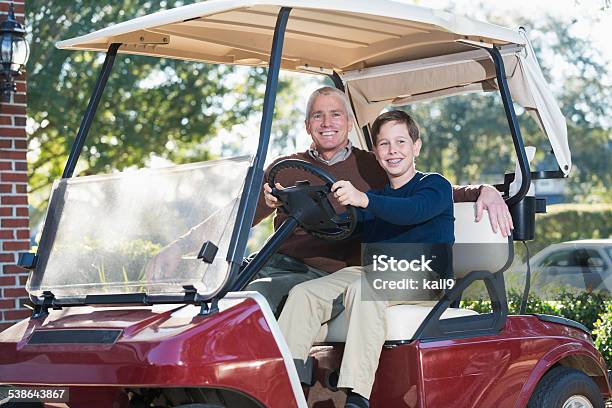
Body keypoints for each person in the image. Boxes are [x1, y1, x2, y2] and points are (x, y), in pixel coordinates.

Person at [145, 86, 513, 315]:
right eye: (317, 116)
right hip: (280, 262)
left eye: (336, 114)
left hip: (336, 271)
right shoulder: (285, 170)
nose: (327, 122)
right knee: (214, 288)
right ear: (308, 126)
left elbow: (425, 192)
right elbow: (235, 215)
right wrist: (179, 248)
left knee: (254, 300)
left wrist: (485, 190)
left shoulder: (375, 164)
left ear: (348, 123)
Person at [278, 110, 453, 408]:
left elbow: (413, 211)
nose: (392, 150)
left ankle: (356, 397)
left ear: (416, 147)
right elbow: (343, 227)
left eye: (400, 141)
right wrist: (297, 203)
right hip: (375, 270)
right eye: (384, 144)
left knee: (365, 287)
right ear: (376, 152)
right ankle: (285, 388)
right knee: (303, 293)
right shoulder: (378, 196)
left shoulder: (434, 185)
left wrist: (364, 200)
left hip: (425, 273)